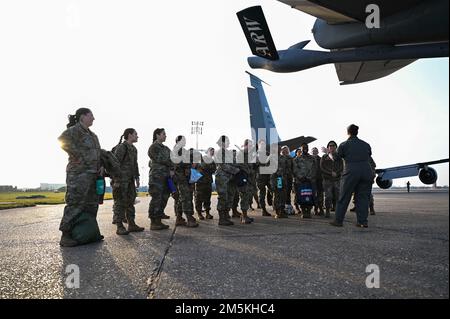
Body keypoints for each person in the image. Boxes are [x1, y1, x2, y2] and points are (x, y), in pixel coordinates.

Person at [58, 108, 104, 247]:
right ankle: (65, 235)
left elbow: (97, 153)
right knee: (75, 203)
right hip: (78, 174)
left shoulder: (93, 135)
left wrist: (101, 166)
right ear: (82, 116)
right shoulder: (74, 130)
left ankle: (89, 233)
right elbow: (62, 139)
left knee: (91, 204)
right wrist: (77, 155)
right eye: (91, 115)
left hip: (93, 174)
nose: (93, 118)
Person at [330, 124, 374, 228]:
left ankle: (338, 221)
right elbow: (369, 155)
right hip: (366, 171)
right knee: (363, 197)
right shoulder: (366, 144)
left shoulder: (344, 144)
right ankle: (363, 221)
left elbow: (336, 158)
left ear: (348, 132)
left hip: (351, 171)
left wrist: (330, 153)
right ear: (357, 132)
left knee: (344, 196)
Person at [112, 128, 144, 235]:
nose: (137, 136)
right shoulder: (122, 147)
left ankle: (131, 224)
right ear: (130, 135)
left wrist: (137, 177)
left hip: (130, 180)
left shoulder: (134, 149)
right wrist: (116, 180)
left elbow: (135, 164)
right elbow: (115, 164)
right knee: (120, 202)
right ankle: (119, 226)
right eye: (136, 134)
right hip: (120, 180)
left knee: (130, 201)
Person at [148, 128, 172, 230]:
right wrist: (170, 163)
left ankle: (159, 218)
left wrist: (172, 167)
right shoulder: (153, 147)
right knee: (156, 198)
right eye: (163, 134)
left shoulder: (166, 148)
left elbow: (173, 158)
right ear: (157, 135)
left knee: (164, 197)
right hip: (157, 177)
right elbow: (161, 159)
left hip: (166, 176)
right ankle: (154, 222)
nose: (165, 136)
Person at [172, 136, 199, 228]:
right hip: (180, 178)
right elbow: (178, 163)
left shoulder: (183, 151)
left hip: (185, 177)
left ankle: (179, 218)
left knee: (181, 198)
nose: (185, 142)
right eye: (183, 140)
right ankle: (189, 217)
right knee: (186, 197)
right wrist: (190, 164)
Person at [214, 135, 240, 226]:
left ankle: (226, 215)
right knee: (223, 197)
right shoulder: (219, 152)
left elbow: (234, 163)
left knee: (229, 196)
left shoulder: (227, 152)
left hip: (230, 178)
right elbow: (223, 165)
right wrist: (236, 170)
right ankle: (222, 219)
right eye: (227, 141)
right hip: (222, 177)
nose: (229, 143)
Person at [320, 140, 343, 218]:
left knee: (337, 196)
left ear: (336, 147)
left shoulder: (339, 156)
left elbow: (342, 166)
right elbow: (322, 167)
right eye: (330, 146)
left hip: (337, 179)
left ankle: (337, 210)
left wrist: (337, 173)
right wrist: (330, 173)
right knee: (328, 196)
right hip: (327, 180)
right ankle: (327, 210)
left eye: (333, 145)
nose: (331, 147)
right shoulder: (324, 157)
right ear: (328, 148)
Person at [293, 143, 316, 218]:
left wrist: (309, 177)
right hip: (300, 181)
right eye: (303, 148)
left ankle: (308, 212)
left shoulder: (312, 158)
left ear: (308, 148)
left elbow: (315, 169)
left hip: (310, 181)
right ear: (301, 149)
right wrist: (301, 177)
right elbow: (295, 169)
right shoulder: (297, 159)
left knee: (310, 196)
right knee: (301, 197)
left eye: (306, 147)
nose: (305, 148)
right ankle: (303, 212)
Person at [194, 147, 216, 220]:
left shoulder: (212, 161)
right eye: (211, 151)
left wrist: (208, 168)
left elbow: (213, 170)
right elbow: (203, 167)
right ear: (207, 151)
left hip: (208, 181)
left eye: (213, 151)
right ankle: (199, 213)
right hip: (200, 182)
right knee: (199, 198)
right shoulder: (201, 159)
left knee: (207, 198)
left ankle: (207, 213)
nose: (213, 152)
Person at [271, 144, 290, 218]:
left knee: (283, 195)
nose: (278, 150)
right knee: (277, 195)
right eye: (277, 149)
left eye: (279, 149)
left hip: (283, 179)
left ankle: (282, 211)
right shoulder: (272, 157)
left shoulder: (284, 158)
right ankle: (277, 212)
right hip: (277, 179)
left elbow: (288, 167)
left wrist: (286, 174)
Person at [256, 139, 273, 217]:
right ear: (258, 145)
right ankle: (263, 210)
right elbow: (257, 165)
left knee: (273, 191)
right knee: (262, 194)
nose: (262, 146)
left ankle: (276, 207)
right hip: (260, 177)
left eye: (264, 145)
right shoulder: (256, 155)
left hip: (269, 176)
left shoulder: (268, 153)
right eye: (261, 144)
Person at [311, 147, 324, 216]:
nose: (314, 152)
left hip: (320, 179)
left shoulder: (321, 159)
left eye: (316, 151)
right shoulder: (309, 159)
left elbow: (324, 167)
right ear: (311, 152)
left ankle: (321, 208)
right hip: (312, 179)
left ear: (318, 152)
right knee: (313, 194)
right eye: (313, 151)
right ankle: (315, 209)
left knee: (320, 194)